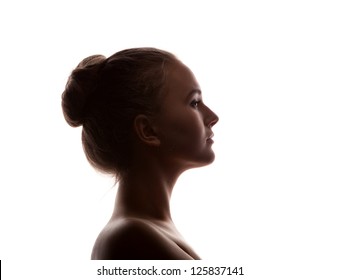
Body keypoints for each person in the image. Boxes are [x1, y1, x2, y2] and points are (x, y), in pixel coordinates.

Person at [61, 47, 219, 260]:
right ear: (148, 130)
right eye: (194, 102)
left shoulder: (146, 232)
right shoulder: (131, 238)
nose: (212, 116)